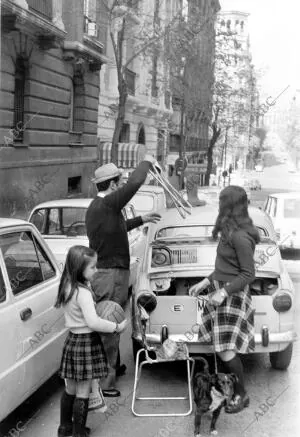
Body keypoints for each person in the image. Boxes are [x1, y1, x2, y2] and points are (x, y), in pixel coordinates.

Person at [85, 156, 161, 397]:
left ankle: (113, 368)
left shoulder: (100, 207)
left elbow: (116, 229)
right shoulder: (107, 204)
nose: (121, 185)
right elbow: (135, 184)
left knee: (111, 322)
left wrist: (141, 219)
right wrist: (147, 162)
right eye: (119, 181)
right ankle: (106, 384)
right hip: (111, 275)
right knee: (111, 323)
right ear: (112, 184)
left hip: (108, 273)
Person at [189, 185, 260, 414]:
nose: (218, 205)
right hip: (223, 292)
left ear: (229, 206)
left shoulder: (240, 236)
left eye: (221, 201)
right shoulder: (231, 231)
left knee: (226, 350)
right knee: (223, 349)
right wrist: (206, 282)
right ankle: (238, 393)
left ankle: (242, 394)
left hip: (232, 297)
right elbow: (225, 268)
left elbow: (249, 273)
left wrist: (223, 292)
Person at [55, 245, 127, 437]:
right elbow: (93, 322)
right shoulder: (84, 293)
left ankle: (64, 428)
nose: (96, 270)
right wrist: (116, 327)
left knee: (70, 387)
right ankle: (79, 433)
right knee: (84, 390)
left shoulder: (67, 286)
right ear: (80, 268)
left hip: (72, 341)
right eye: (93, 267)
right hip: (86, 342)